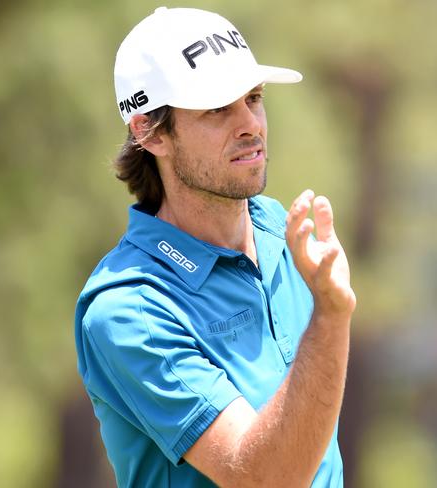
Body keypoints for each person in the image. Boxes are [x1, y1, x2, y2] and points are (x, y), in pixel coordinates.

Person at [74, 7, 356, 488]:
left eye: (254, 97)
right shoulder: (129, 309)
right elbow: (267, 478)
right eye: (217, 108)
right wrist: (331, 316)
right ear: (149, 131)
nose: (251, 124)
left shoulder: (277, 228)